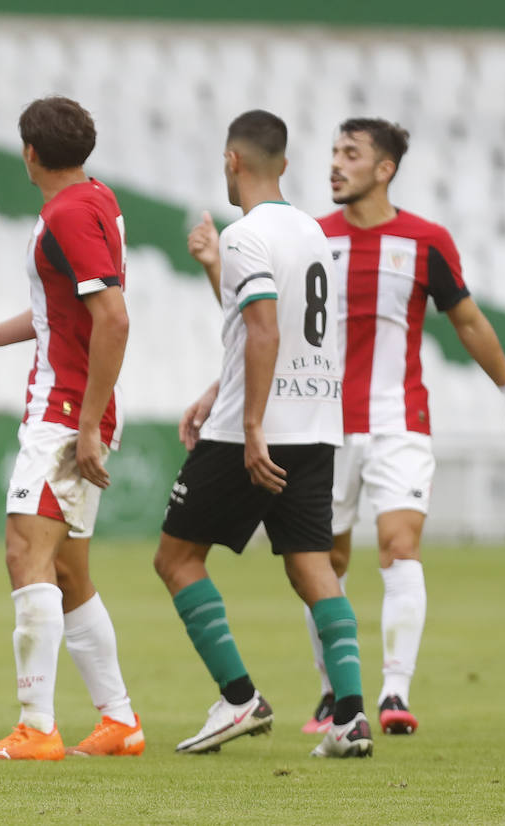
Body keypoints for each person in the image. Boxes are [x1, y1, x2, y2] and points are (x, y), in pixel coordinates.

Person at [286, 118, 505, 736]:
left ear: (384, 169)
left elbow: (468, 321)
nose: (334, 164)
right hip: (323, 426)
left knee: (399, 546)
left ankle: (393, 692)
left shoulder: (426, 240)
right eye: (333, 152)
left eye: (350, 154)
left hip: (400, 421)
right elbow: (275, 331)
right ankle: (336, 690)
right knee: (324, 560)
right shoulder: (311, 237)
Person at [156, 109, 371, 759]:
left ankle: (239, 696)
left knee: (176, 559)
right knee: (313, 568)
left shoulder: (245, 236)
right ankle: (353, 717)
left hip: (256, 430)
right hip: (316, 424)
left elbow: (267, 330)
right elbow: (295, 338)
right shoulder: (312, 232)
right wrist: (218, 388)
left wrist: (249, 425)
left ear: (232, 161)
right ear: (284, 163)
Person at [0, 97, 142, 761]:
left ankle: (36, 727)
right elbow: (62, 309)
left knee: (22, 552)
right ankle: (119, 722)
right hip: (74, 406)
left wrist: (88, 423)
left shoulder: (65, 212)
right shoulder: (95, 197)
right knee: (66, 569)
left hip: (67, 409)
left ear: (29, 153)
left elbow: (113, 318)